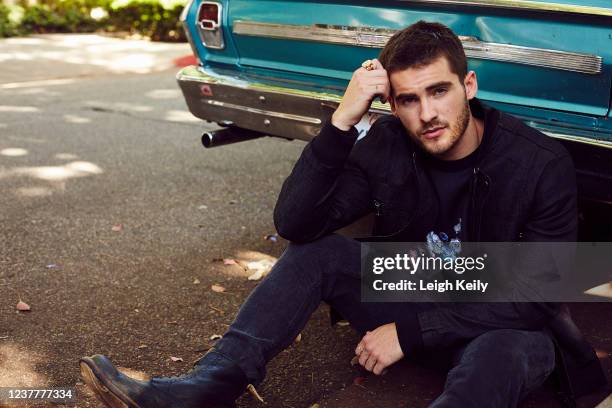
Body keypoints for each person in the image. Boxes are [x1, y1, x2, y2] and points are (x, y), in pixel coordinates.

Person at [80, 21, 606, 408]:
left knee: (505, 352)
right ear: (391, 106)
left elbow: (536, 298)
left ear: (467, 87)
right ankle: (207, 387)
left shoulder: (539, 163)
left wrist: (410, 334)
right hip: (418, 285)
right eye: (408, 100)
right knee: (318, 254)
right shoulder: (387, 142)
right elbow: (296, 224)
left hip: (503, 319)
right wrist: (341, 121)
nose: (427, 114)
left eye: (439, 91)